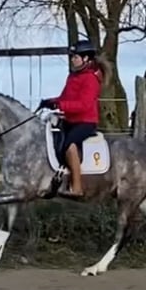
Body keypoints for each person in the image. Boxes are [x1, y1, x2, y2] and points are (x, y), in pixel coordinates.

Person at [38, 40, 103, 198]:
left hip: (86, 122)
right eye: (72, 57)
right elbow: (64, 98)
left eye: (75, 57)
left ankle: (77, 187)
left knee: (70, 145)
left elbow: (84, 105)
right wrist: (51, 101)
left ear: (86, 59)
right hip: (70, 121)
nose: (72, 59)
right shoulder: (72, 77)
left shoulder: (90, 79)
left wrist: (60, 105)